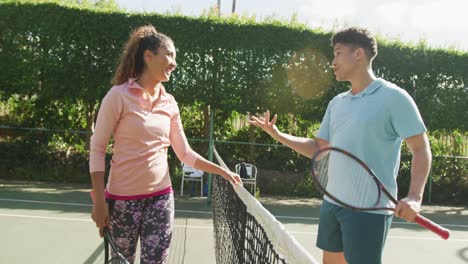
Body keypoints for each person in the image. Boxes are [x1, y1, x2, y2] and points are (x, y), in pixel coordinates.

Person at [249, 27, 431, 264]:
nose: (332, 62)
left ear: (358, 54)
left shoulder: (394, 98)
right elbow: (319, 149)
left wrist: (415, 197)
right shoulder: (337, 104)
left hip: (369, 210)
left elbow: (421, 148)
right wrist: (278, 135)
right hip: (333, 205)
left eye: (338, 53)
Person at [89, 25, 242, 264]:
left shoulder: (169, 103)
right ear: (148, 56)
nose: (174, 63)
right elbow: (97, 149)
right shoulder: (117, 96)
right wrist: (99, 202)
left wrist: (222, 171)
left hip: (160, 199)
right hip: (122, 202)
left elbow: (185, 154)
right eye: (169, 55)